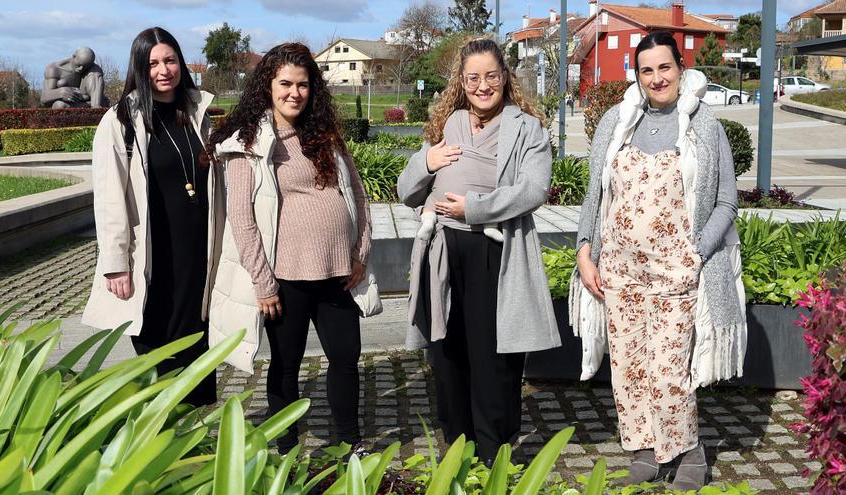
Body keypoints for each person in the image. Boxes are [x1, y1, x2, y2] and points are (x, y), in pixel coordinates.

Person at [572, 31, 747, 490]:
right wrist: (584, 251)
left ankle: (690, 450)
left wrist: (697, 253)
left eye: (664, 67)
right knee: (628, 368)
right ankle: (645, 449)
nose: (656, 78)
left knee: (670, 370)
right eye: (647, 69)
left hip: (677, 272)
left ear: (681, 69)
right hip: (619, 273)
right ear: (637, 74)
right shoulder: (616, 121)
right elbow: (597, 194)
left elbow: (727, 202)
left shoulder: (704, 125)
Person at [205, 42, 378, 454]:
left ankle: (350, 444)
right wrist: (264, 283)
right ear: (268, 85)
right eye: (286, 84)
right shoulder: (250, 142)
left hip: (338, 273)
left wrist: (360, 252)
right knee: (286, 366)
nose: (294, 93)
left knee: (345, 359)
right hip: (287, 279)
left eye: (303, 85)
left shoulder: (324, 134)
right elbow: (242, 218)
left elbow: (356, 192)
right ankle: (285, 449)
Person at [397, 37, 560, 464]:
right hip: (443, 250)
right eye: (473, 78)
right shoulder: (448, 124)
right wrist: (427, 163)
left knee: (493, 354)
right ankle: (459, 441)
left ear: (505, 77)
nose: (482, 85)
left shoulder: (527, 128)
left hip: (495, 252)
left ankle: (494, 449)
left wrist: (475, 208)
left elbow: (533, 188)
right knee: (447, 349)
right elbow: (405, 190)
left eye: (491, 76)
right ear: (462, 81)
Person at [82, 27, 223, 406]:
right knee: (158, 345)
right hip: (152, 257)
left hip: (198, 255)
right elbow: (109, 197)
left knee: (198, 342)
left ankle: (198, 433)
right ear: (140, 69)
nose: (164, 70)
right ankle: (163, 429)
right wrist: (115, 263)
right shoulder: (121, 121)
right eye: (153, 63)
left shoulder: (197, 113)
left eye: (170, 60)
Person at [41, 47, 109, 108]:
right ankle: (88, 105)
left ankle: (95, 107)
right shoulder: (54, 69)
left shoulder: (94, 69)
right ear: (74, 56)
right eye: (79, 65)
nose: (80, 69)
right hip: (68, 103)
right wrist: (60, 93)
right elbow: (44, 98)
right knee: (59, 105)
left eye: (85, 66)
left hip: (86, 98)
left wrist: (96, 103)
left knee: (96, 74)